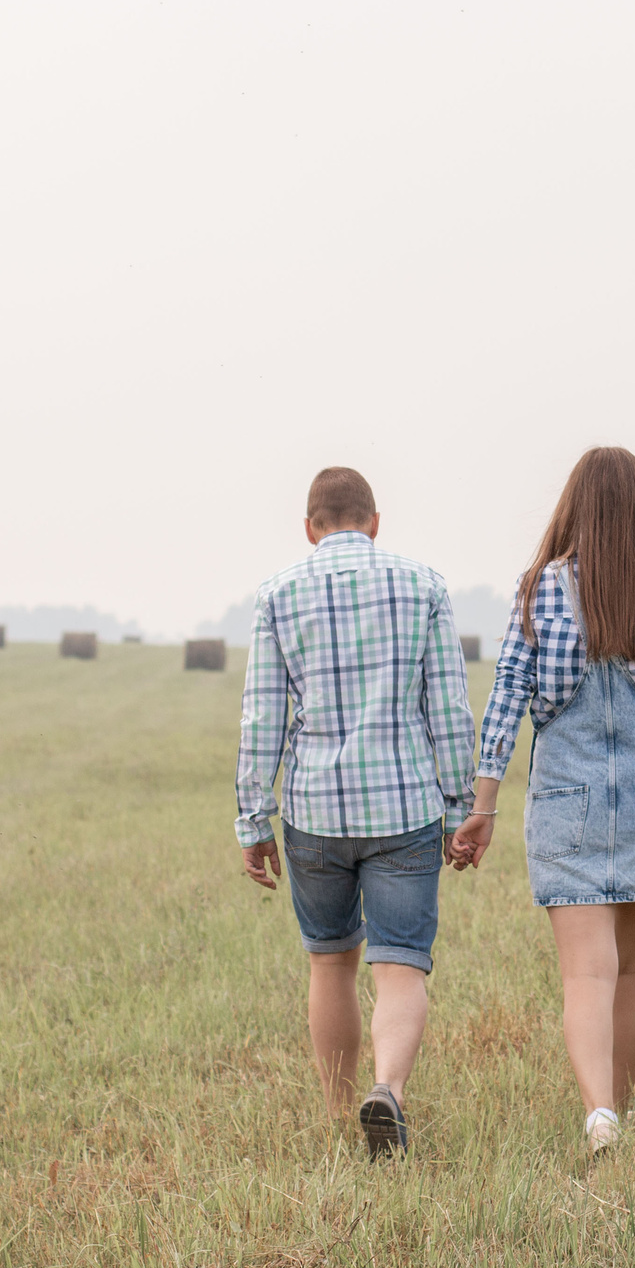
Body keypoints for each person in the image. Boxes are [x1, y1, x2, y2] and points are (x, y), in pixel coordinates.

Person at [449, 447, 635, 1154]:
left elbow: (507, 696)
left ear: (575, 506)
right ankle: (620, 1113)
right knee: (634, 969)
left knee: (586, 972)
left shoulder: (538, 590)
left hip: (566, 803)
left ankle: (598, 1111)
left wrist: (482, 805)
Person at [237, 466, 476, 1159]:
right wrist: (461, 804)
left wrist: (254, 820)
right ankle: (389, 1092)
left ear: (309, 529)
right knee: (400, 962)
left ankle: (344, 1112)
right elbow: (450, 709)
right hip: (403, 807)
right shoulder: (424, 585)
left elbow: (262, 716)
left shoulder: (278, 594)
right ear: (376, 521)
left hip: (315, 810)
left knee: (330, 963)